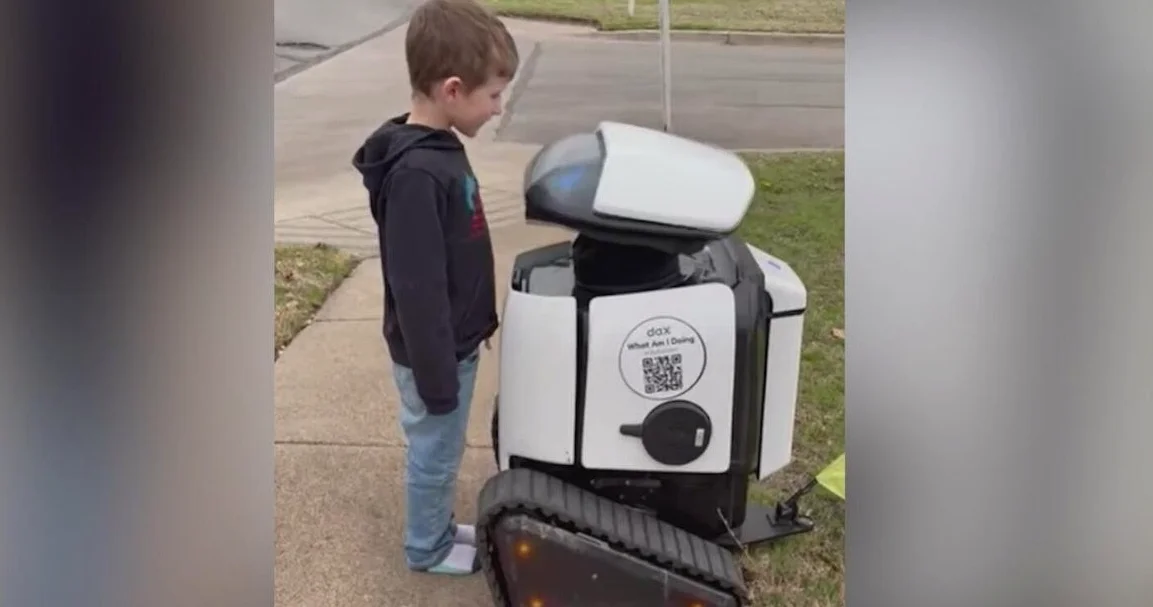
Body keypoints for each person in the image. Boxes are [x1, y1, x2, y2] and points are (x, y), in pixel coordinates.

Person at [350, 0, 518, 576]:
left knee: (441, 451)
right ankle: (428, 548)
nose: (498, 108)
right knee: (435, 453)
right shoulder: (418, 175)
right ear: (452, 90)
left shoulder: (438, 151)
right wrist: (438, 377)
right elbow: (417, 288)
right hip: (435, 356)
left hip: (452, 347)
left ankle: (441, 529)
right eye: (493, 95)